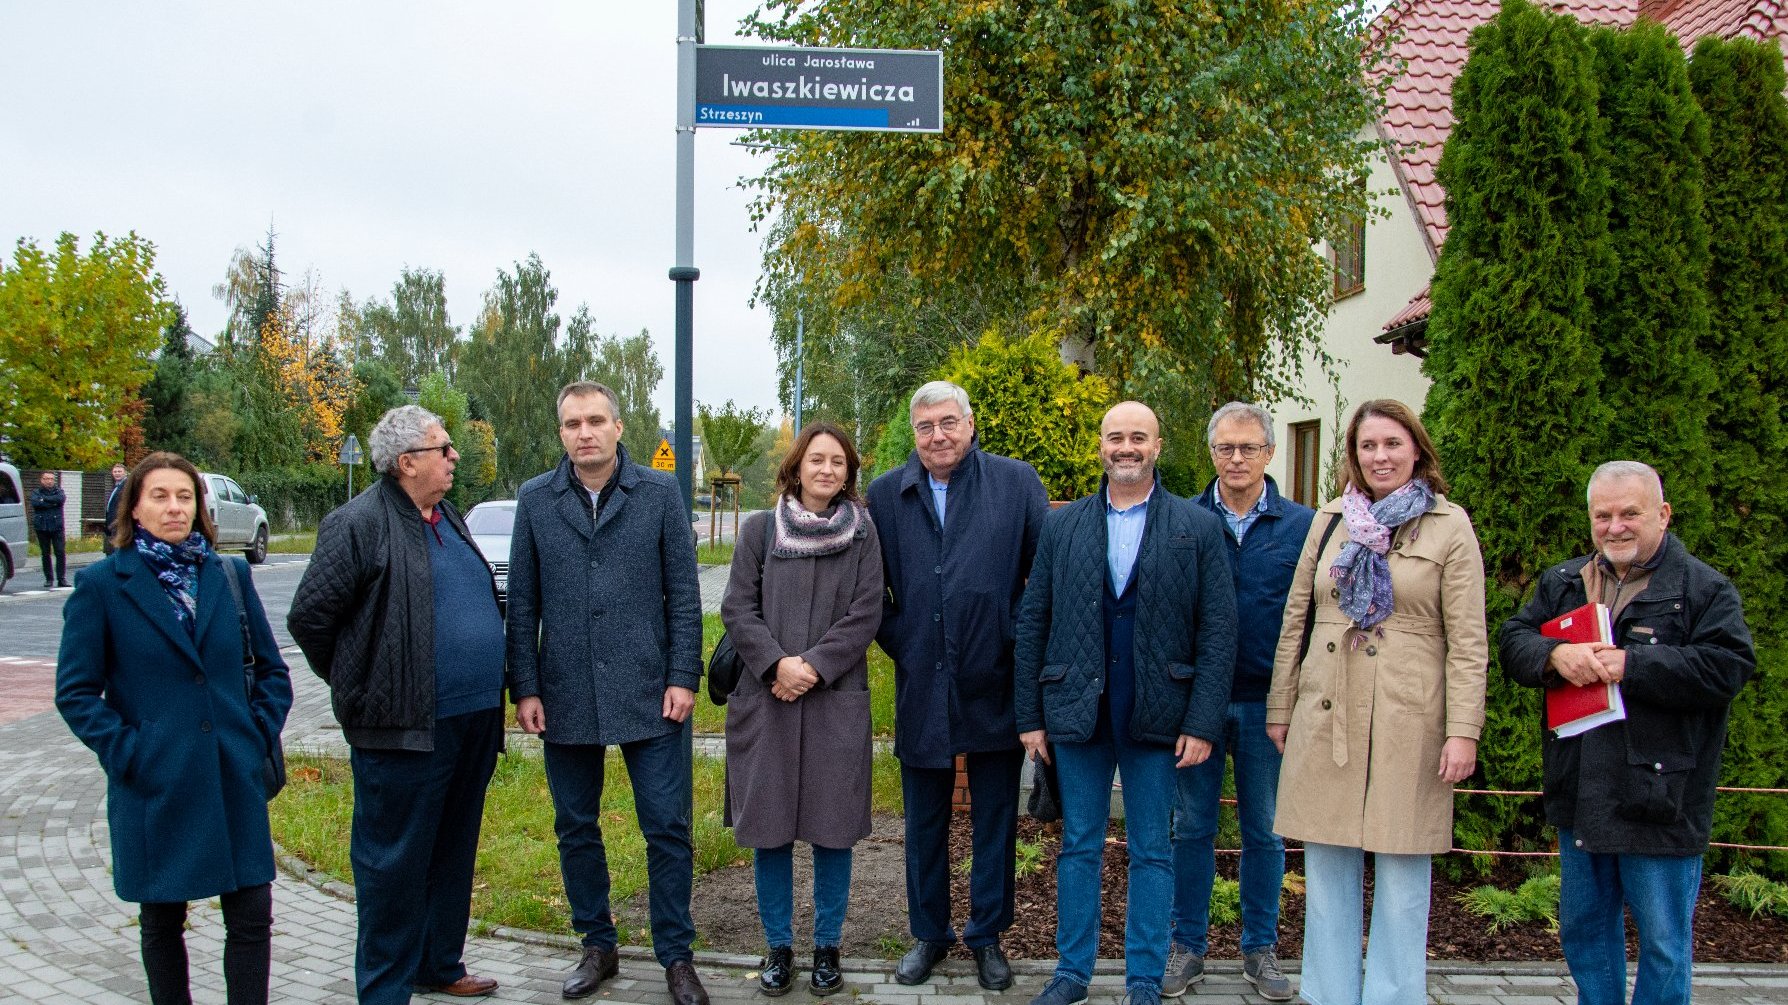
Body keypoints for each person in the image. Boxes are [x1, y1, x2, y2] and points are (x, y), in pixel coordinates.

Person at [1501, 461, 1753, 1005]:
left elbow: (1728, 668)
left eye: (1630, 514)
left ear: (1661, 515)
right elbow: (1513, 641)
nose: (1615, 526)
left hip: (1659, 795)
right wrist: (1554, 654)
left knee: (1663, 944)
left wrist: (1630, 665)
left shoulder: (1704, 588)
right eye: (1602, 515)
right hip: (1580, 788)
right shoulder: (1565, 582)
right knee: (1584, 932)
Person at [1015, 401, 1237, 1005]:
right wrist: (1030, 717)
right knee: (1079, 845)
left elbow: (1218, 630)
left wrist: (1202, 720)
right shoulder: (1065, 526)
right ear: (1101, 447)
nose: (1126, 447)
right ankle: (1072, 973)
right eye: (1116, 437)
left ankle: (1143, 979)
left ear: (1159, 446)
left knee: (1152, 850)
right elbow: (1033, 621)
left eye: (1138, 437)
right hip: (1076, 716)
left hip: (1159, 718)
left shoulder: (1197, 528)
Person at [1266, 398, 1487, 1005]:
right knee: (1328, 857)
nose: (1380, 456)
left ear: (1416, 448)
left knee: (1402, 861)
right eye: (1368, 446)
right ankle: (1329, 993)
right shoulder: (1332, 518)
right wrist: (1280, 705)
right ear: (1354, 456)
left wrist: (1463, 728)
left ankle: (1393, 995)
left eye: (1392, 443)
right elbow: (1297, 617)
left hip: (1408, 713)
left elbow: (1468, 638)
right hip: (1327, 705)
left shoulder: (1448, 524)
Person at [55, 452, 293, 1005]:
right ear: (134, 508)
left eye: (184, 496)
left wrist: (255, 734)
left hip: (233, 774)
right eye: (159, 496)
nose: (174, 507)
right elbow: (75, 692)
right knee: (162, 920)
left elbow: (274, 672)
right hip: (156, 782)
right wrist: (131, 753)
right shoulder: (102, 586)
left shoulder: (227, 574)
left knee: (253, 915)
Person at [288, 405, 506, 1004]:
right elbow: (311, 619)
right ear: (407, 462)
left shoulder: (446, 515)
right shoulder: (358, 522)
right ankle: (385, 991)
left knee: (452, 848)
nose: (454, 456)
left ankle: (438, 962)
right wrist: (363, 684)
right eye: (444, 448)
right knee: (393, 866)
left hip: (471, 722)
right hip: (402, 729)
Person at [505, 381, 709, 1005]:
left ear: (619, 428)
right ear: (561, 433)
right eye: (572, 424)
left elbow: (685, 594)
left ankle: (676, 956)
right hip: (565, 693)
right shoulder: (537, 500)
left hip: (652, 693)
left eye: (596, 421)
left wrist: (683, 675)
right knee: (575, 825)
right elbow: (525, 603)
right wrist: (525, 687)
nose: (584, 433)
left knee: (667, 826)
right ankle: (598, 944)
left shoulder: (657, 495)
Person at [866, 380, 1050, 991]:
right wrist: (908, 642)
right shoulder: (888, 495)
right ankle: (929, 934)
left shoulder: (1015, 483)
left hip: (995, 677)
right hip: (923, 682)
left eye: (948, 423)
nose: (937, 436)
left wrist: (1011, 636)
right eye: (925, 427)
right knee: (924, 819)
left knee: (995, 815)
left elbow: (1040, 579)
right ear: (914, 435)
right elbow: (874, 594)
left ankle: (987, 936)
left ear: (970, 426)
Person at [719, 421, 884, 997]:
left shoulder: (863, 534)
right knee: (771, 831)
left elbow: (867, 613)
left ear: (848, 472)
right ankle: (779, 948)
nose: (827, 470)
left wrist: (811, 666)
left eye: (838, 462)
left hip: (834, 700)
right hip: (768, 702)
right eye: (817, 459)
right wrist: (775, 666)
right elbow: (737, 608)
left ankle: (828, 949)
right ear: (797, 465)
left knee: (832, 831)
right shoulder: (761, 530)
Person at [1164, 403, 1311, 1002]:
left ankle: (1260, 949)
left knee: (1266, 833)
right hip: (1196, 706)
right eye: (1226, 448)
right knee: (1192, 826)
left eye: (1249, 447)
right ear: (1211, 453)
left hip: (1266, 706)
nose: (1237, 458)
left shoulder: (1302, 527)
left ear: (1270, 453)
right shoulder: (1181, 519)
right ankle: (1187, 947)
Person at [30, 469, 69, 588]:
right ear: (42, 480)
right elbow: (36, 503)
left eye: (51, 479)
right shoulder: (36, 492)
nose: (49, 481)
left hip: (57, 526)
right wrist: (51, 502)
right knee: (45, 553)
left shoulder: (59, 491)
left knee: (60, 552)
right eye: (47, 479)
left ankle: (61, 579)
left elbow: (60, 500)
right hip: (42, 526)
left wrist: (45, 500)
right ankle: (49, 579)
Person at [104, 461, 128, 556]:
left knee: (117, 551)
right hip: (112, 524)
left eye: (119, 471)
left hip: (119, 523)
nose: (117, 473)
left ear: (125, 472)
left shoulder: (126, 486)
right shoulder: (116, 486)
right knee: (111, 551)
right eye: (115, 471)